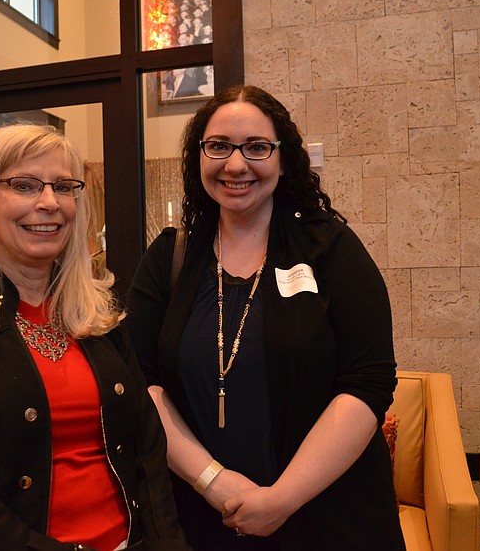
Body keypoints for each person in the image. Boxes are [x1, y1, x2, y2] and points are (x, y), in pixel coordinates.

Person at [125, 86, 405, 550]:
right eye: (218, 146)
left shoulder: (331, 249)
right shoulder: (169, 257)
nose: (236, 165)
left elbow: (367, 383)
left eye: (256, 147)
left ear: (282, 157)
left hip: (327, 519)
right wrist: (214, 482)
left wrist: (282, 499)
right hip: (197, 519)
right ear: (199, 156)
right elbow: (139, 380)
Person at [0, 124, 190, 551]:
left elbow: (148, 451)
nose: (49, 202)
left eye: (63, 187)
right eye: (24, 185)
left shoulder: (97, 316)